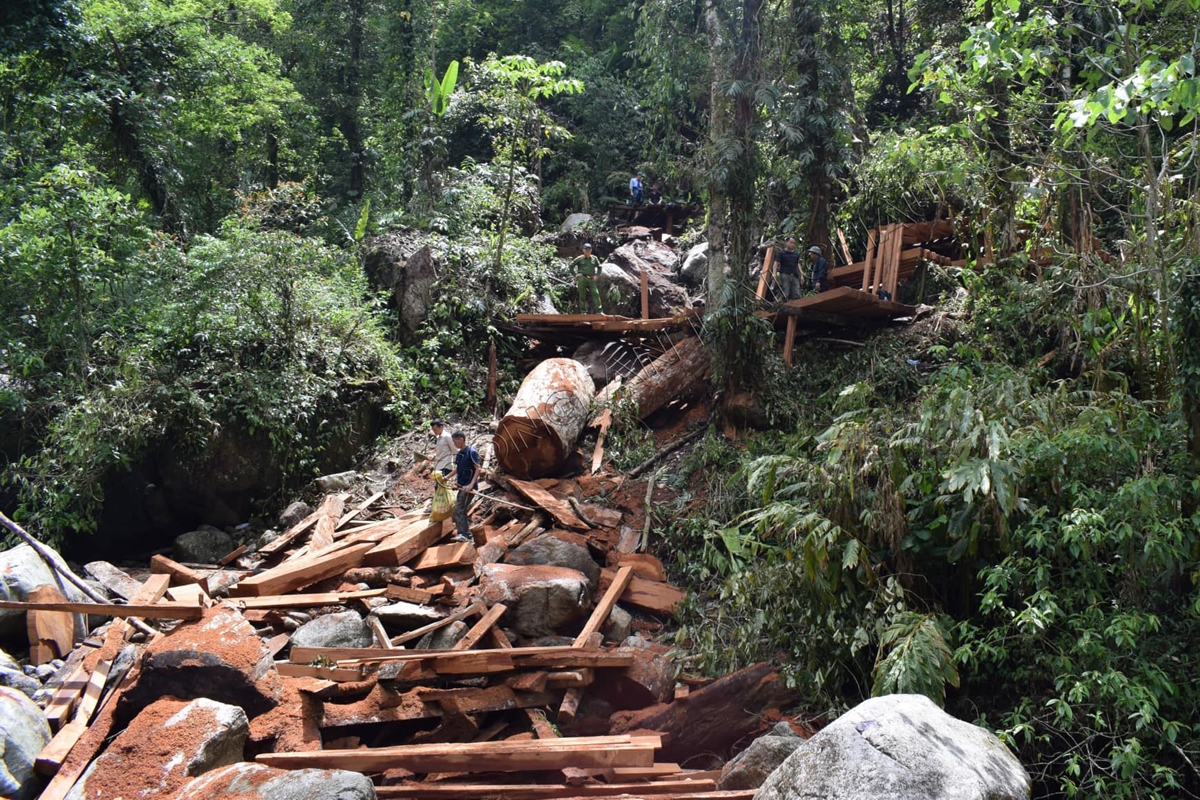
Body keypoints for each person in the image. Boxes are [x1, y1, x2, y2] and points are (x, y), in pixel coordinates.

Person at [451, 431, 481, 542]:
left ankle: (464, 534)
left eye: (455, 442)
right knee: (458, 509)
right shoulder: (460, 454)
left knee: (460, 509)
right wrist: (447, 478)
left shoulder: (471, 452)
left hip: (469, 487)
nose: (454, 444)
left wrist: (471, 485)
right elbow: (457, 469)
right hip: (462, 486)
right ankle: (464, 534)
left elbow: (478, 469)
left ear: (461, 439)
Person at [569, 243, 602, 313]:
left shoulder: (594, 258)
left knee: (595, 293)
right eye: (586, 249)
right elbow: (571, 266)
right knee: (582, 294)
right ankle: (583, 311)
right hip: (582, 278)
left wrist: (597, 275)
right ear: (583, 250)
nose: (588, 251)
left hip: (591, 279)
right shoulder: (579, 258)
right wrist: (575, 274)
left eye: (589, 249)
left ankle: (599, 311)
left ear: (591, 250)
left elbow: (600, 267)